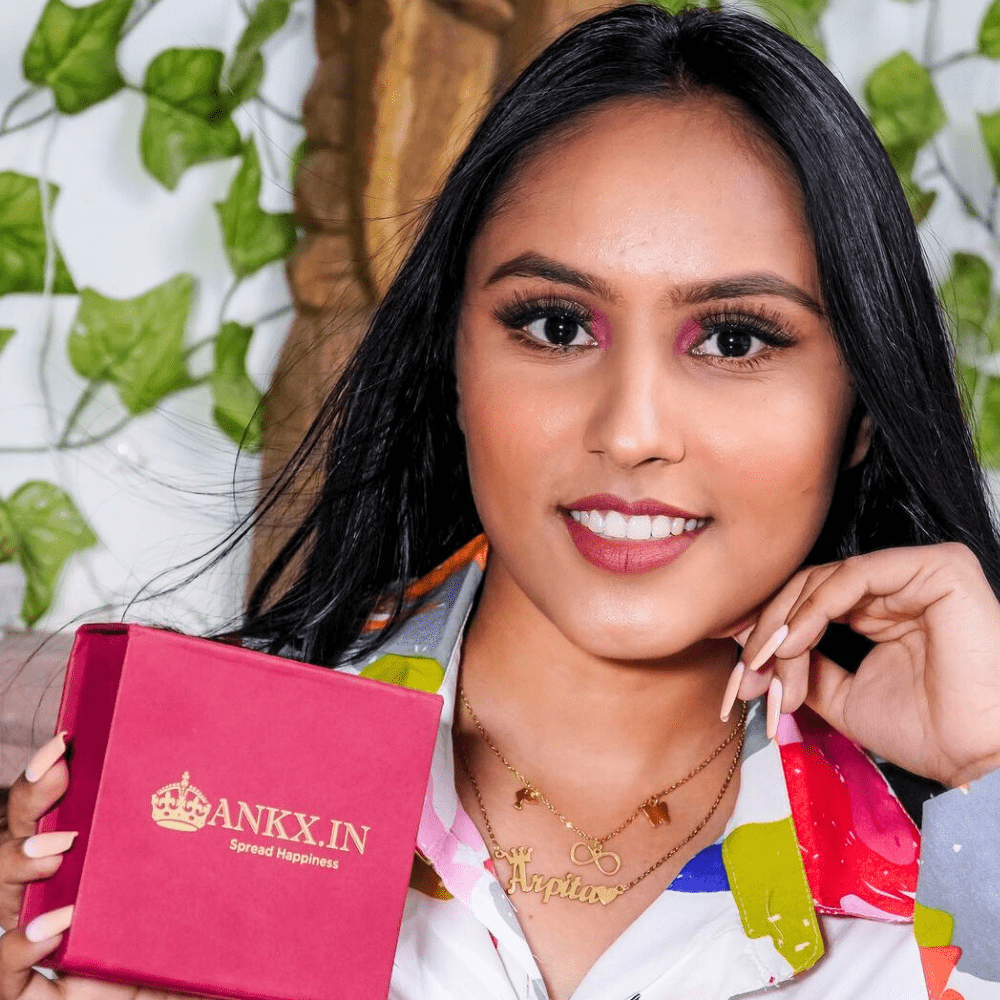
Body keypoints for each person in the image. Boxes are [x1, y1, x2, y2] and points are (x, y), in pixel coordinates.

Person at [2, 4, 1000, 998]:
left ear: (861, 405)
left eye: (733, 339)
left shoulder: (961, 844)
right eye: (558, 325)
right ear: (453, 364)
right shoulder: (188, 786)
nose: (631, 429)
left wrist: (991, 764)